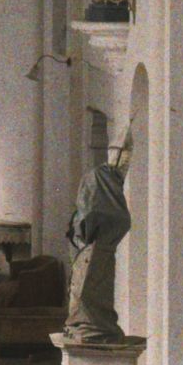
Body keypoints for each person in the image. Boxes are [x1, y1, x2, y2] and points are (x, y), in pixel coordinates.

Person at [62, 141, 132, 343]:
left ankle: (96, 326)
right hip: (90, 246)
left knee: (98, 290)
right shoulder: (98, 177)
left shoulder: (113, 183)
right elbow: (87, 212)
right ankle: (86, 326)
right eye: (122, 155)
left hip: (103, 249)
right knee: (85, 290)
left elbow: (120, 220)